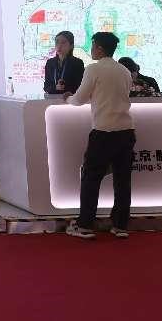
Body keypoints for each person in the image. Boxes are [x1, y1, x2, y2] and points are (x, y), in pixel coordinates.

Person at [65, 31, 136, 240]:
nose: (91, 49)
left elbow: (79, 99)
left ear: (99, 48)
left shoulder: (93, 69)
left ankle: (85, 224)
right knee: (123, 180)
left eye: (93, 45)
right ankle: (120, 225)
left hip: (103, 131)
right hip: (126, 131)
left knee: (91, 178)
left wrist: (68, 98)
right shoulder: (124, 70)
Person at [43, 31, 85, 98]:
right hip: (52, 100)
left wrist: (65, 88)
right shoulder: (50, 63)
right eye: (57, 42)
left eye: (63, 42)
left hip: (70, 100)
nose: (59, 45)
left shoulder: (77, 63)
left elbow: (80, 86)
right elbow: (46, 87)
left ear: (71, 46)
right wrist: (56, 87)